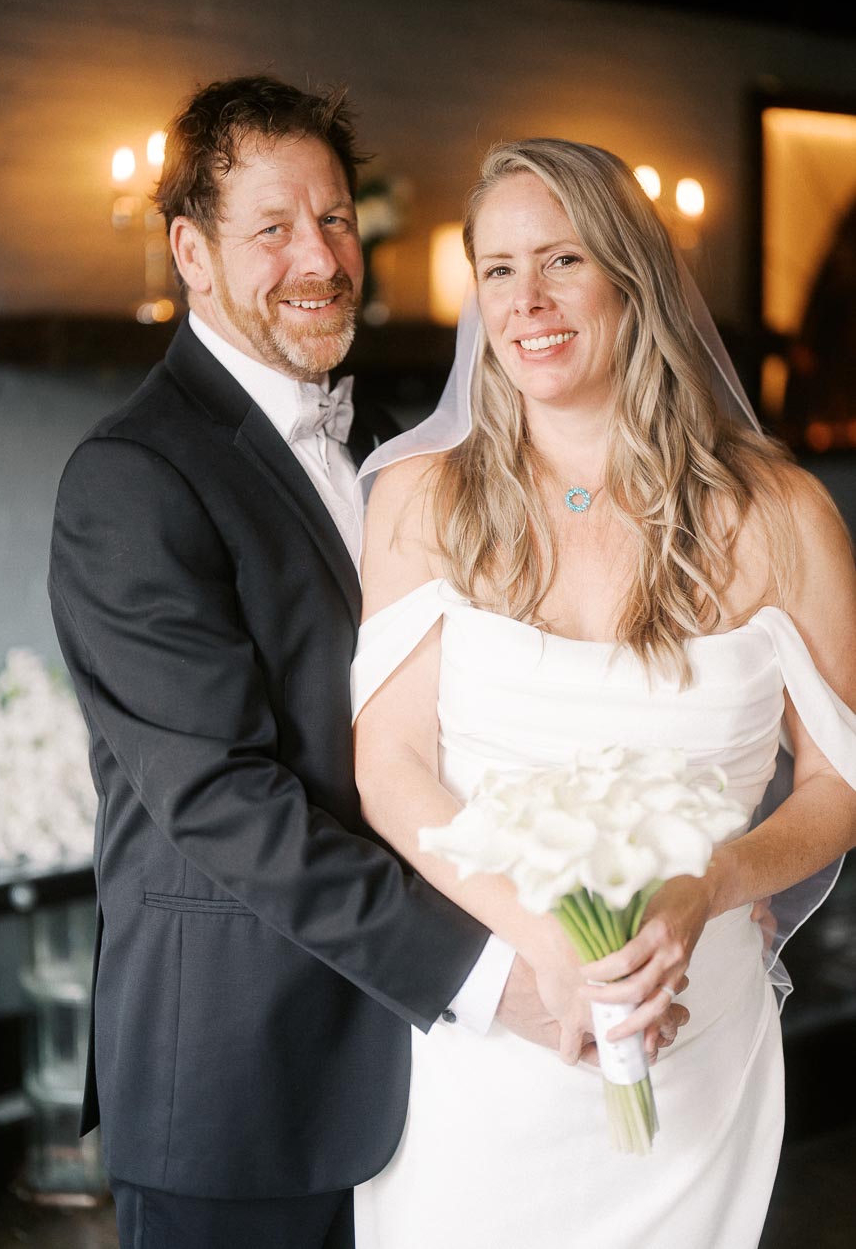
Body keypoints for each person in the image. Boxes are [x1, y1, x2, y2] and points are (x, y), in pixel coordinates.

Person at [49, 79, 664, 1249]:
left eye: (335, 221)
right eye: (270, 228)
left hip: (433, 1082)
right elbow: (225, 806)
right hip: (243, 1079)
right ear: (191, 249)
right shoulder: (131, 477)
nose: (317, 258)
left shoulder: (401, 445)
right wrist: (498, 977)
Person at [350, 136, 856, 1249]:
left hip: (695, 1034)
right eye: (496, 270)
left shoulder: (784, 516)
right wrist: (545, 950)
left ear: (635, 273)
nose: (525, 301)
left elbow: (838, 784)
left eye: (562, 260)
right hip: (494, 1037)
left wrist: (713, 881)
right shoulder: (418, 497)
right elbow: (387, 765)